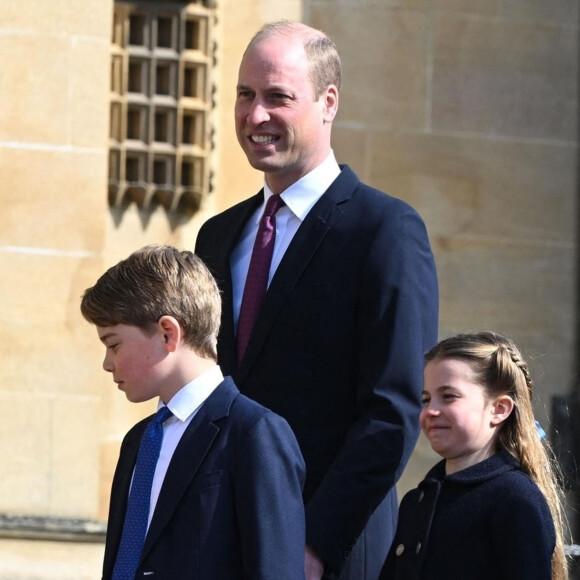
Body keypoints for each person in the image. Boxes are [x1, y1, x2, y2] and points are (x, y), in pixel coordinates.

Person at [195, 20, 439, 580]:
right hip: (221, 543)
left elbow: (392, 409)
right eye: (245, 95)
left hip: (328, 552)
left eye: (278, 97)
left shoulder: (385, 230)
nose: (256, 116)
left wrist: (311, 545)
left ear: (328, 102)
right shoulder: (218, 236)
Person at [80, 244, 306, 580]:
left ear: (168, 333)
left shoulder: (254, 433)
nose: (107, 363)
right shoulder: (137, 442)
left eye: (114, 344)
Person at [380, 331, 568, 580]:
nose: (431, 410)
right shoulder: (417, 501)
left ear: (498, 409)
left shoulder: (514, 499)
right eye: (426, 400)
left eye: (449, 396)